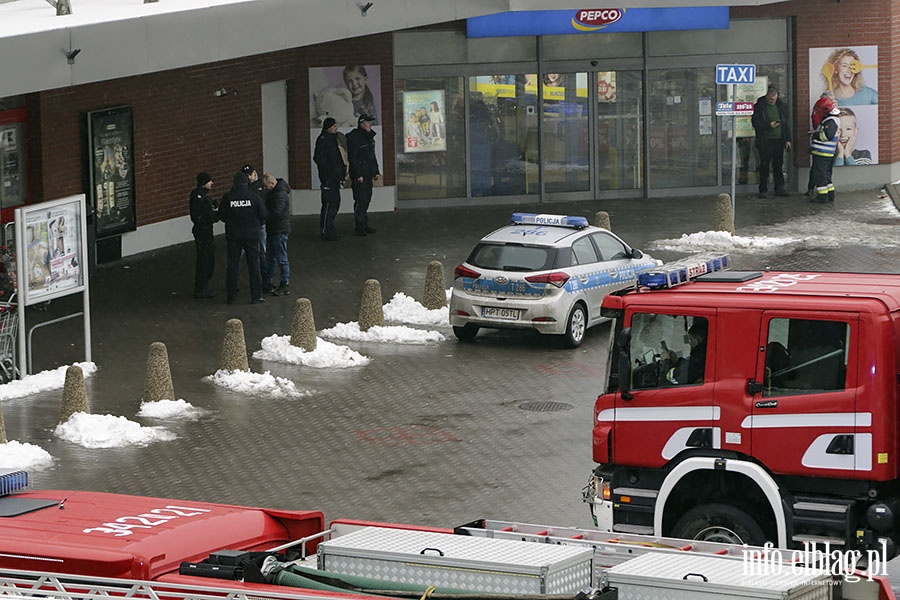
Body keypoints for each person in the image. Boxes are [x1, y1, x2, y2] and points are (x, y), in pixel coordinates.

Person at [218, 170, 267, 304]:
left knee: (233, 265)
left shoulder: (228, 198)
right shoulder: (254, 197)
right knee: (254, 265)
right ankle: (256, 296)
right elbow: (264, 215)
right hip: (251, 235)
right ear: (246, 182)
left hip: (234, 236)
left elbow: (221, 216)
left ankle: (232, 296)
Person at [751, 85, 792, 198]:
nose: (772, 101)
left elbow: (785, 124)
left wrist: (788, 139)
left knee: (778, 165)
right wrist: (768, 125)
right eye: (770, 99)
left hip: (779, 140)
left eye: (774, 99)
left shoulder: (781, 106)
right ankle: (763, 189)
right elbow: (756, 123)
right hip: (766, 140)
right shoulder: (759, 106)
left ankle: (779, 187)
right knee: (764, 165)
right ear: (767, 96)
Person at [346, 113, 381, 237]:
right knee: (361, 200)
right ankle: (359, 226)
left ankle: (364, 224)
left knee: (366, 199)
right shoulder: (355, 138)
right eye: (367, 122)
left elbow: (372, 156)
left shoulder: (369, 137)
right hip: (360, 173)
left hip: (368, 172)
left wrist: (375, 171)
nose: (370, 124)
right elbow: (353, 159)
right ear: (361, 124)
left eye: (370, 122)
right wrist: (358, 174)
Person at [313, 117, 346, 241]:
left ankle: (330, 229)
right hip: (328, 178)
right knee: (329, 204)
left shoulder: (333, 140)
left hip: (334, 178)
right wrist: (330, 172)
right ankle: (326, 230)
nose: (336, 128)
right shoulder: (323, 141)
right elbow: (320, 159)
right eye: (334, 127)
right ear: (328, 128)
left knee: (335, 203)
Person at [189, 171, 218, 299]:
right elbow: (200, 216)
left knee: (206, 259)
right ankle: (201, 288)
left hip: (203, 231)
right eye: (209, 181)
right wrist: (213, 214)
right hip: (203, 231)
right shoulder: (199, 198)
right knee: (205, 259)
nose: (212, 183)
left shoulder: (201, 196)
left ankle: (202, 286)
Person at [261, 172, 291, 296]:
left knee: (280, 258)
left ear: (272, 184)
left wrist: (264, 215)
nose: (266, 189)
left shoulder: (279, 194)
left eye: (267, 186)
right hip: (276, 229)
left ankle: (284, 283)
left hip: (279, 230)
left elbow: (276, 213)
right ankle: (270, 281)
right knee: (273, 257)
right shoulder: (278, 192)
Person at [242, 164, 267, 286]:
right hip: (256, 225)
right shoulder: (256, 188)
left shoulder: (258, 187)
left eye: (250, 174)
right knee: (261, 252)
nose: (249, 177)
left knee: (262, 252)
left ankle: (265, 280)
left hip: (257, 225)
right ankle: (265, 281)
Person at [809, 105, 840, 203]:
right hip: (827, 153)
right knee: (826, 175)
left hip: (823, 153)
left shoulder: (830, 121)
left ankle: (822, 196)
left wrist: (815, 135)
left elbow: (827, 136)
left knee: (820, 175)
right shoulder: (834, 119)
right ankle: (830, 194)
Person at [806, 92, 835, 196]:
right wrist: (816, 135)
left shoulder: (831, 115)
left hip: (825, 147)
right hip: (823, 147)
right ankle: (819, 191)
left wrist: (816, 135)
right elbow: (819, 126)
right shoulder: (823, 112)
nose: (833, 102)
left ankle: (823, 194)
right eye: (831, 100)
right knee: (821, 171)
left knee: (822, 172)